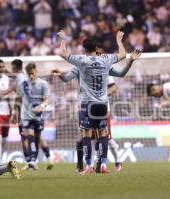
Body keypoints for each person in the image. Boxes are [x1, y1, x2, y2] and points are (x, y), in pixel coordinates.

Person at [52, 49, 141, 173]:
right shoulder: (86, 66)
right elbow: (67, 77)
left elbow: (113, 88)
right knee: (86, 136)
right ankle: (83, 165)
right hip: (97, 105)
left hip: (91, 105)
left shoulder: (99, 68)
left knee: (101, 136)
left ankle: (102, 164)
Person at [57, 29, 126, 173]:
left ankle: (88, 165)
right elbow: (123, 55)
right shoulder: (106, 59)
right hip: (102, 103)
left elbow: (63, 53)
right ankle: (102, 165)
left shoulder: (82, 61)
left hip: (87, 103)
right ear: (96, 48)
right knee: (103, 134)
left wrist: (63, 38)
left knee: (86, 134)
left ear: (84, 49)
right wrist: (119, 40)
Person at [9, 59, 53, 170]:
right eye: (29, 74)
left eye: (32, 73)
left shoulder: (43, 84)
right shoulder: (24, 85)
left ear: (36, 71)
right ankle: (32, 161)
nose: (31, 75)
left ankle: (42, 158)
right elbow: (18, 97)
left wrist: (41, 106)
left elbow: (47, 100)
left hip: (38, 115)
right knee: (30, 136)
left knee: (37, 137)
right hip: (26, 116)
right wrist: (14, 112)